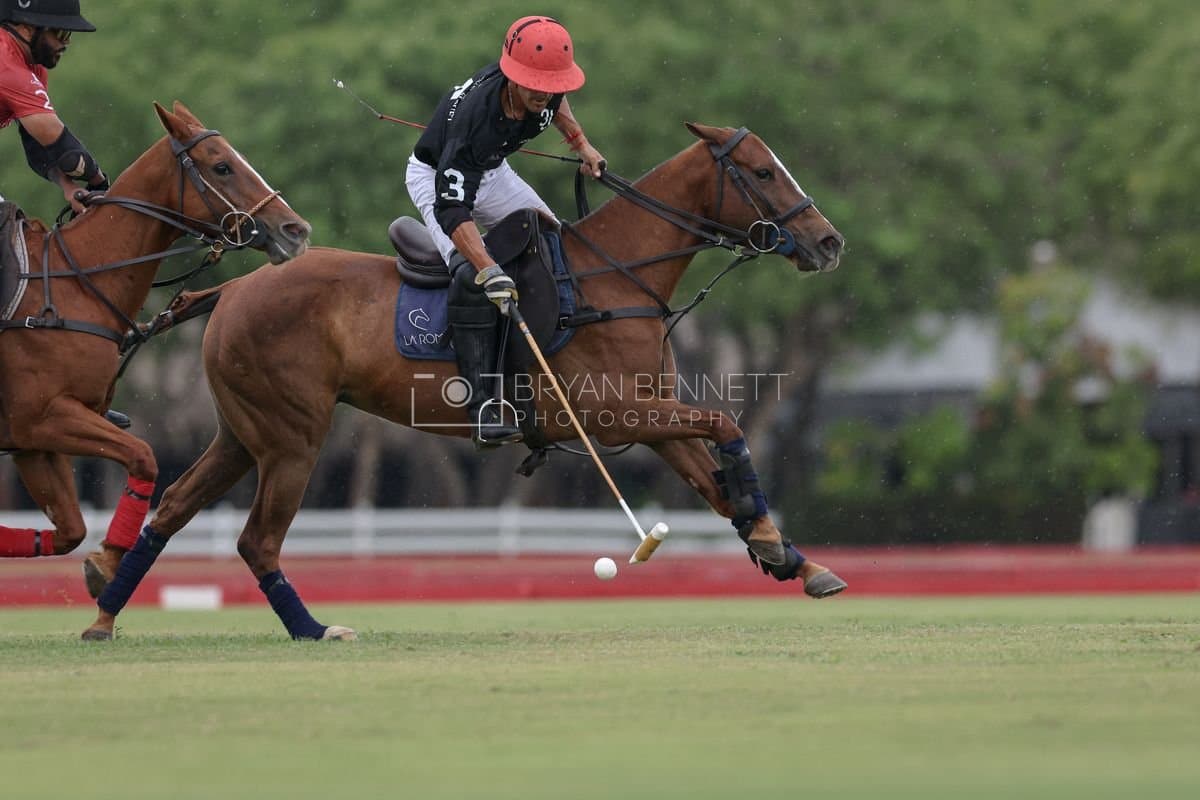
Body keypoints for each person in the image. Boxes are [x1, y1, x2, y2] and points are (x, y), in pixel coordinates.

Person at [406, 15, 604, 447]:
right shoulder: (476, 121)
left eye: (550, 83)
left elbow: (559, 102)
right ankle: (481, 408)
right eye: (533, 83)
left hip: (493, 173)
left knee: (557, 245)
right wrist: (486, 267)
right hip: (439, 175)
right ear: (512, 75)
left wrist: (581, 145)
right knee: (473, 277)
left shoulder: (548, 89)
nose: (543, 93)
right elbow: (453, 208)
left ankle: (545, 370)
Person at [0, 0, 129, 428]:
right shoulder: (3, 56)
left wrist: (68, 187)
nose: (64, 43)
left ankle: (50, 380)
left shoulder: (31, 66)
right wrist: (98, 180)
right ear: (24, 25)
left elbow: (38, 145)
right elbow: (54, 135)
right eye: (59, 33)